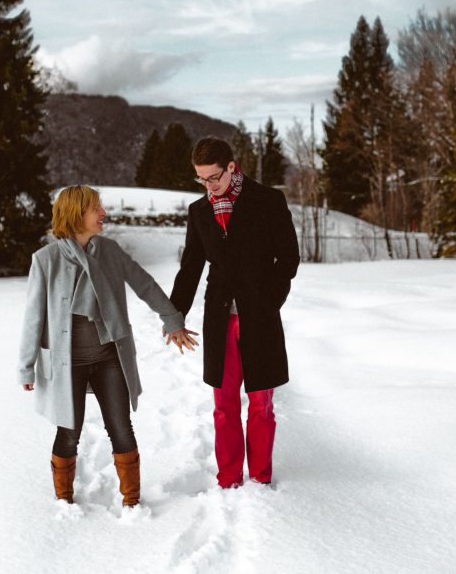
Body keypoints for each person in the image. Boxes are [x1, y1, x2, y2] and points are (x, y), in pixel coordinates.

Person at [18, 185, 198, 506]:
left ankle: (132, 501)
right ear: (76, 214)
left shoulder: (110, 252)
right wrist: (27, 366)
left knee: (121, 427)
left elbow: (144, 284)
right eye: (96, 209)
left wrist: (173, 320)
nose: (103, 214)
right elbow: (34, 318)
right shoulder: (46, 261)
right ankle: (64, 502)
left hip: (108, 356)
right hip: (66, 363)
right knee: (68, 433)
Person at [170, 137, 299, 488]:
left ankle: (260, 478)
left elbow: (288, 259)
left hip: (260, 317)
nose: (209, 186)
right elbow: (191, 266)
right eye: (201, 180)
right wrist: (175, 313)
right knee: (224, 406)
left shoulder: (268, 200)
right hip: (219, 318)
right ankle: (228, 479)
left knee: (261, 404)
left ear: (231, 167)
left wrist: (269, 301)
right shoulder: (199, 211)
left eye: (214, 177)